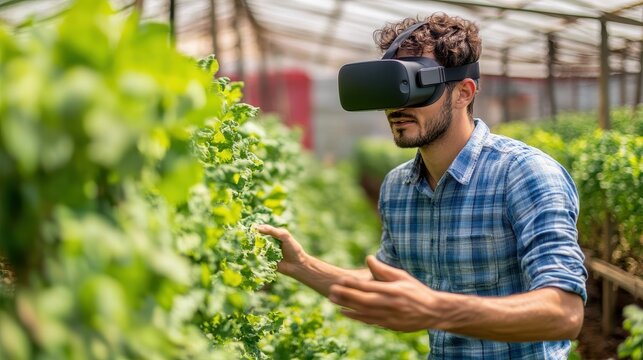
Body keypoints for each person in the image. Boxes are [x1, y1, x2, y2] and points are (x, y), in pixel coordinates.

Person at [257, 12, 587, 359]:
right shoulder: (398, 188)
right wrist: (301, 265)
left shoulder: (524, 174)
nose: (397, 107)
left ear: (464, 92)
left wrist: (436, 309)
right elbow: (389, 289)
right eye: (390, 88)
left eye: (414, 87)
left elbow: (564, 313)